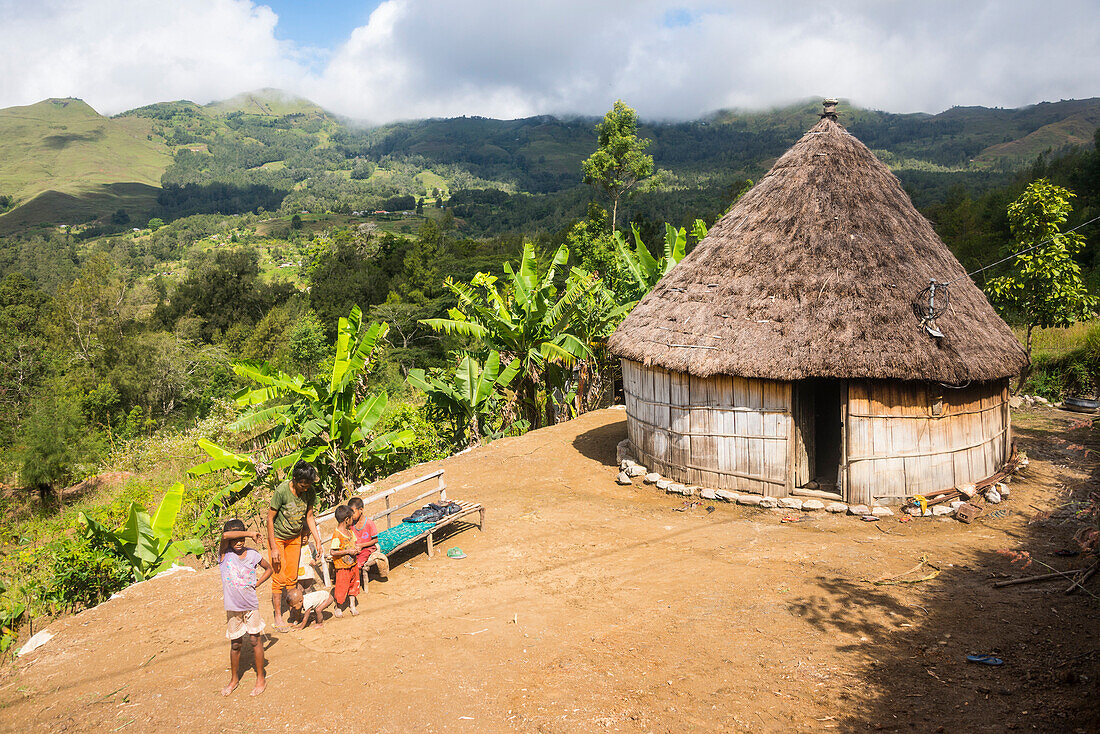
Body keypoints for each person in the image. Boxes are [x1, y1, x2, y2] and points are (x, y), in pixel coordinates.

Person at [267, 461, 324, 633]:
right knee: (278, 578)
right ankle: (278, 616)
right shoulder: (282, 491)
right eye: (302, 485)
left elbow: (309, 516)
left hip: (295, 538)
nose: (305, 489)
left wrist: (318, 539)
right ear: (295, 479)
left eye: (308, 486)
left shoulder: (309, 492)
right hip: (278, 538)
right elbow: (269, 519)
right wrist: (274, 548)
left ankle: (295, 613)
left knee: (292, 578)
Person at [219, 519, 272, 697]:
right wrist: (249, 533)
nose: (240, 542)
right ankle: (234, 679)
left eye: (242, 538)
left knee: (255, 640)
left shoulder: (252, 555)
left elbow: (269, 569)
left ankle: (260, 678)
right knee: (235, 644)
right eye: (237, 538)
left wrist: (256, 583)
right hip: (233, 608)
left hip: (250, 605)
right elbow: (225, 535)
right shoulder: (224, 555)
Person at [348, 496, 389, 583]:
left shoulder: (369, 523)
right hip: (356, 548)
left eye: (353, 512)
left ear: (361, 510)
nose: (351, 515)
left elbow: (375, 540)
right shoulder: (351, 524)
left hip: (367, 548)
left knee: (358, 564)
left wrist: (362, 545)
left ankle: (356, 583)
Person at [330, 505, 360, 616]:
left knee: (354, 585)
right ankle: (338, 606)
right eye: (351, 518)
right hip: (342, 567)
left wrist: (357, 548)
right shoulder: (337, 535)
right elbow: (333, 552)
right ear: (347, 519)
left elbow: (355, 543)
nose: (353, 520)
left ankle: (352, 605)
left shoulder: (350, 532)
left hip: (353, 565)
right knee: (341, 587)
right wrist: (347, 552)